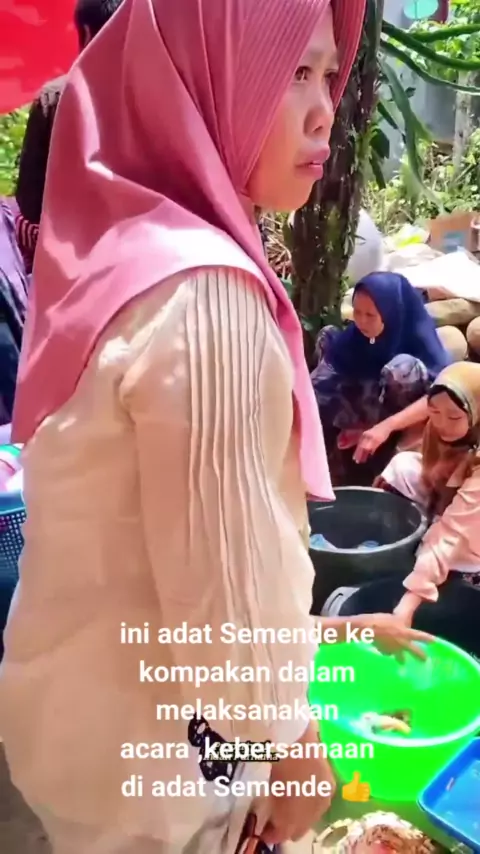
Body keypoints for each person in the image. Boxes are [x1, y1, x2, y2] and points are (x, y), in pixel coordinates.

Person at [0, 1, 431, 852]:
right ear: (204, 81)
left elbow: (145, 551)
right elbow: (224, 610)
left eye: (327, 74)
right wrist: (295, 748)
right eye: (290, 72)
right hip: (157, 764)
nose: (324, 110)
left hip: (79, 725)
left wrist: (322, 638)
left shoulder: (124, 247)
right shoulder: (205, 295)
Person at [336, 362, 480, 659]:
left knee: (456, 549)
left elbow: (452, 534)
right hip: (453, 498)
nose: (442, 423)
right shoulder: (441, 432)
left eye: (454, 416)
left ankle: (442, 571)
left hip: (470, 519)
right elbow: (431, 469)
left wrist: (405, 607)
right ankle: (406, 546)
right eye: (434, 412)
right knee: (402, 467)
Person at [311, 271, 450, 486]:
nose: (361, 322)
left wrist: (386, 427)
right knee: (327, 341)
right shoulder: (353, 339)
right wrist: (352, 423)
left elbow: (441, 395)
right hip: (369, 413)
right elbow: (320, 385)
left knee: (402, 368)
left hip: (401, 422)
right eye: (357, 312)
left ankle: (388, 454)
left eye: (370, 315)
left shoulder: (418, 339)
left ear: (391, 313)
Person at [14, 0, 124, 272]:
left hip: (65, 264)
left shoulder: (55, 97)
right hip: (143, 259)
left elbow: (29, 207)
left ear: (85, 32)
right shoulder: (161, 95)